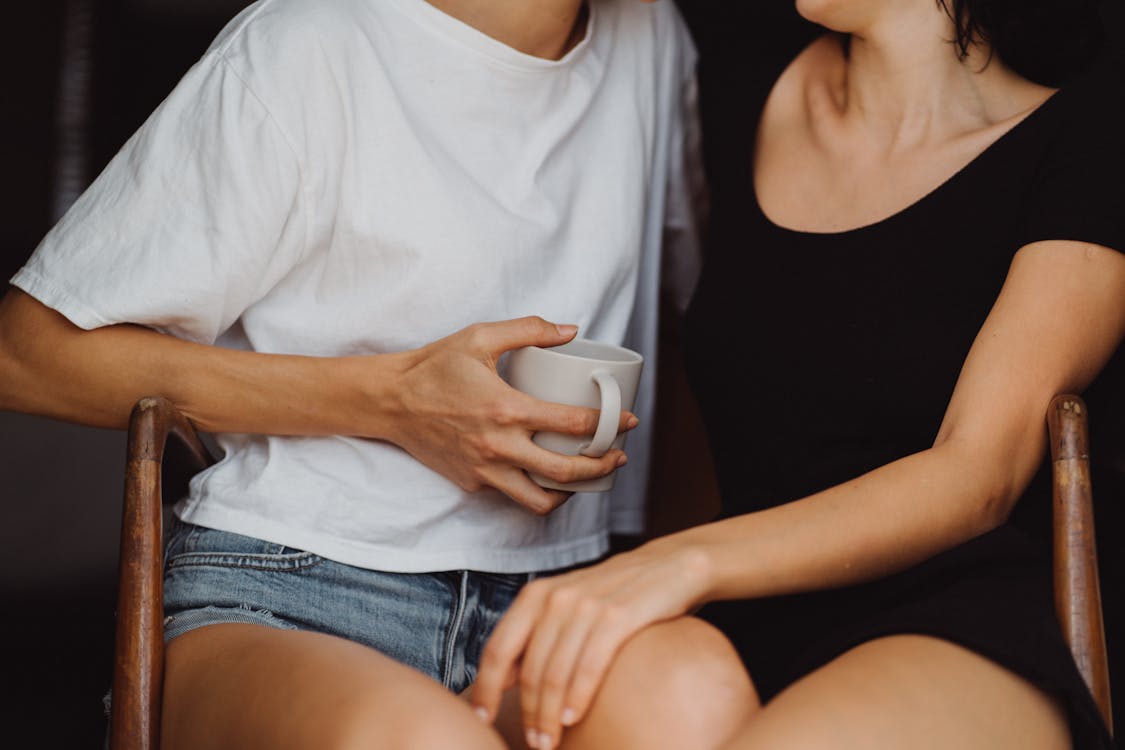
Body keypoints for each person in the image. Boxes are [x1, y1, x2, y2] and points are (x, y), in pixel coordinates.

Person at [0, 0, 757, 748]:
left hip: (559, 591)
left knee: (692, 697)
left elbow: (689, 337)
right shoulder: (303, 45)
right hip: (290, 585)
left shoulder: (649, 36)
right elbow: (26, 355)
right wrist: (394, 402)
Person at [471, 1, 1125, 748]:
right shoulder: (738, 61)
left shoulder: (1089, 136)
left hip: (957, 614)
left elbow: (976, 473)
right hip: (736, 603)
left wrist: (677, 563)